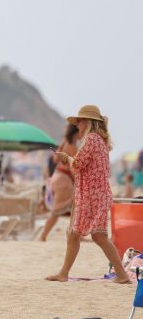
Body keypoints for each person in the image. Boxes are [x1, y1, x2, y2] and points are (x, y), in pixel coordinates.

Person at [46, 105, 130, 283]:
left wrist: (66, 158)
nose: (76, 125)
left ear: (87, 122)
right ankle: (64, 273)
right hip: (94, 193)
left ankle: (122, 274)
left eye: (79, 121)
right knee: (76, 234)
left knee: (96, 235)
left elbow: (78, 165)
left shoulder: (91, 139)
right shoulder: (99, 139)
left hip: (92, 194)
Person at [40, 124, 80, 241]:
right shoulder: (73, 147)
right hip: (64, 180)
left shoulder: (64, 143)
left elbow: (55, 159)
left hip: (57, 176)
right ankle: (43, 236)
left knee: (74, 207)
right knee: (58, 211)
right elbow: (73, 168)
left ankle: (75, 234)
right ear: (76, 133)